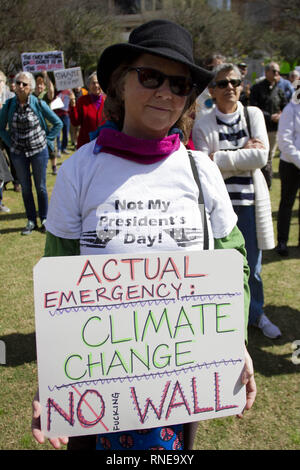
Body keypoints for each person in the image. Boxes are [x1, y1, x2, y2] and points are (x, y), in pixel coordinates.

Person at [31, 20, 256, 450]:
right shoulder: (80, 169)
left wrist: (234, 341)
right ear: (119, 83)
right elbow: (58, 277)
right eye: (150, 76)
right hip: (95, 389)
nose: (165, 93)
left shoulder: (201, 171)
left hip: (179, 382)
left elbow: (234, 264)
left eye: (179, 83)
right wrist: (53, 374)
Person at [193, 63, 281, 340]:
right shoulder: (203, 121)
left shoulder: (252, 114)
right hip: (218, 207)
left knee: (252, 267)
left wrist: (219, 158)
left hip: (249, 204)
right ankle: (225, 319)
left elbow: (260, 157)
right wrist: (241, 154)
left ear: (242, 86)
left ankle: (256, 314)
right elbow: (203, 167)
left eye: (235, 82)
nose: (230, 87)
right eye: (222, 83)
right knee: (220, 264)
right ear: (212, 90)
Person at [0, 71, 62, 235]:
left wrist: (47, 140)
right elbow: (1, 128)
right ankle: (30, 220)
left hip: (38, 151)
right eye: (18, 82)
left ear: (30, 88)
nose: (20, 86)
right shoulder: (9, 105)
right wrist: (10, 142)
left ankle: (45, 219)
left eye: (24, 84)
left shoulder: (38, 104)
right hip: (18, 153)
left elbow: (58, 123)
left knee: (40, 187)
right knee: (26, 188)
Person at [250, 62, 287, 188]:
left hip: (274, 130)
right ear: (266, 72)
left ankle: (267, 182)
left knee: (269, 157)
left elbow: (285, 106)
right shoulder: (257, 88)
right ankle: (260, 182)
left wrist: (281, 115)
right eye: (274, 71)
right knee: (261, 156)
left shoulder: (279, 90)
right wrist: (269, 116)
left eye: (278, 71)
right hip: (259, 128)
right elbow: (254, 107)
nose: (277, 73)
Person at [276, 85, 300, 256]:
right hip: (290, 165)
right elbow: (284, 141)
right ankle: (282, 241)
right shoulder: (290, 109)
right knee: (287, 204)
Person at [69, 71, 106, 149]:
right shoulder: (82, 101)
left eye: (98, 83)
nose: (96, 85)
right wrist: (72, 106)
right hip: (86, 144)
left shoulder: (108, 100)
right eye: (93, 83)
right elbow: (75, 122)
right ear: (88, 86)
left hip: (104, 143)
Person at [33, 72, 58, 175]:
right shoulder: (31, 97)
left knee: (52, 147)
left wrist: (46, 75)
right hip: (35, 127)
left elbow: (51, 91)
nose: (39, 86)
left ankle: (54, 167)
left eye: (41, 84)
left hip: (48, 126)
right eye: (37, 84)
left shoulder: (46, 96)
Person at [54, 88, 71, 157]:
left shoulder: (68, 91)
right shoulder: (56, 91)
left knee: (65, 133)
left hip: (66, 114)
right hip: (57, 114)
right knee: (58, 134)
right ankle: (58, 149)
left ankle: (64, 147)